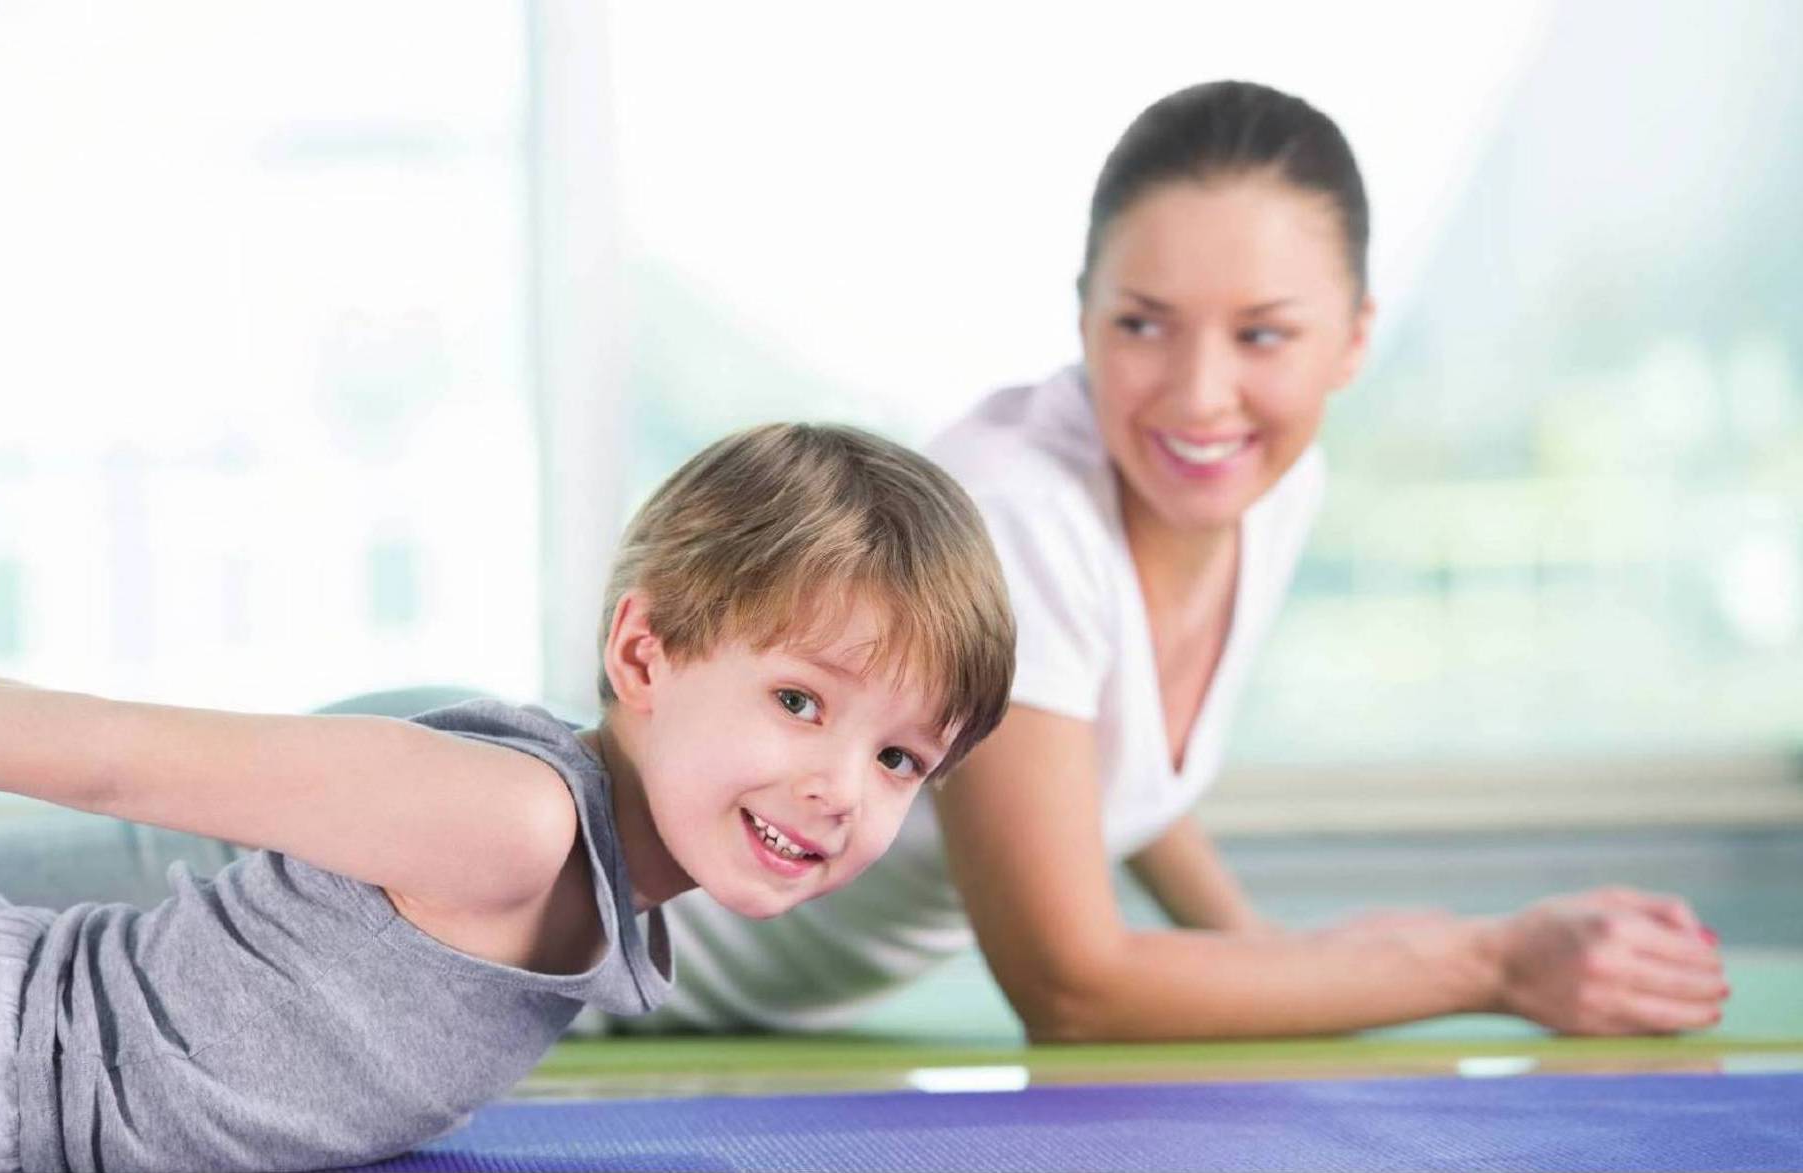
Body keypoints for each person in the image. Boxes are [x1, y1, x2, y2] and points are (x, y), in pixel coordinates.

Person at [638, 79, 1732, 1040]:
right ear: (1083, 316)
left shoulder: (1272, 488)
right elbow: (1072, 991)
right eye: (1143, 326)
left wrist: (1250, 948)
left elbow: (1118, 765)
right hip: (600, 964)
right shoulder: (1017, 512)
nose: (1200, 395)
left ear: (1353, 338)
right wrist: (1489, 962)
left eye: (1260, 335)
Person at [0, 406, 1014, 1171]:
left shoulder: (611, 887)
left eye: (899, 757)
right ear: (644, 654)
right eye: (801, 703)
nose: (839, 788)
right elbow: (115, 757)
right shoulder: (515, 823)